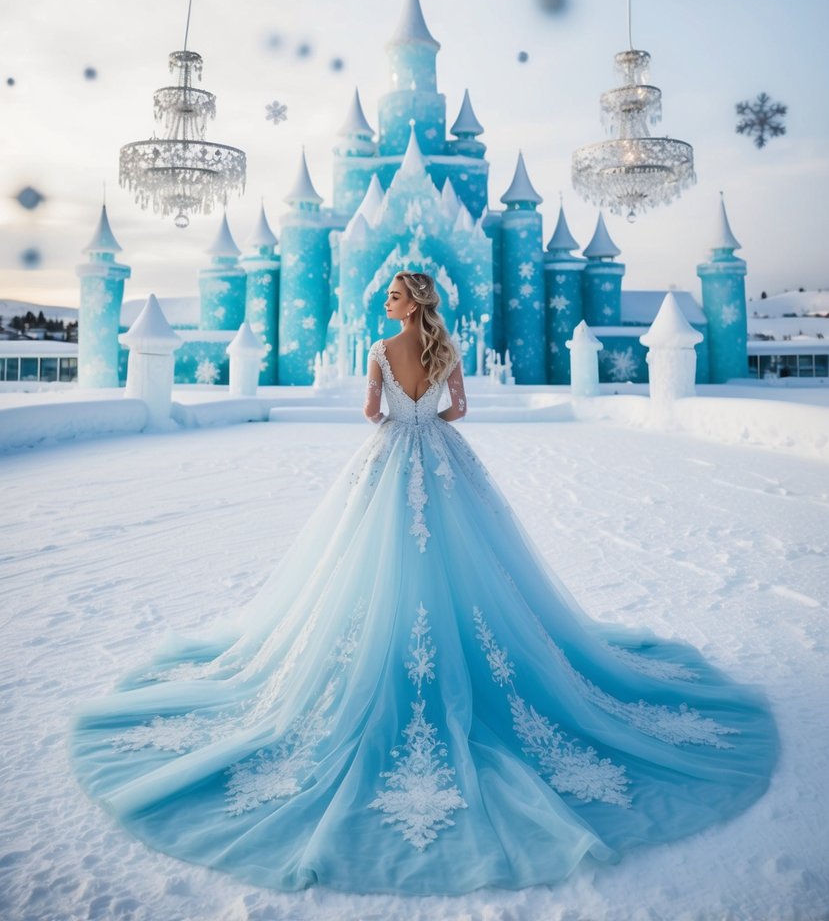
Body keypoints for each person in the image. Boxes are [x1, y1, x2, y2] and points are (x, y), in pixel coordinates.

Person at [71, 271, 778, 895]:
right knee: (471, 566)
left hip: (386, 465)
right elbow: (459, 411)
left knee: (365, 566)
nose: (385, 302)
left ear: (411, 303)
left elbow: (372, 414)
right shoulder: (445, 350)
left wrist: (392, 410)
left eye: (392, 293)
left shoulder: (379, 352)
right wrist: (431, 413)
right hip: (442, 460)